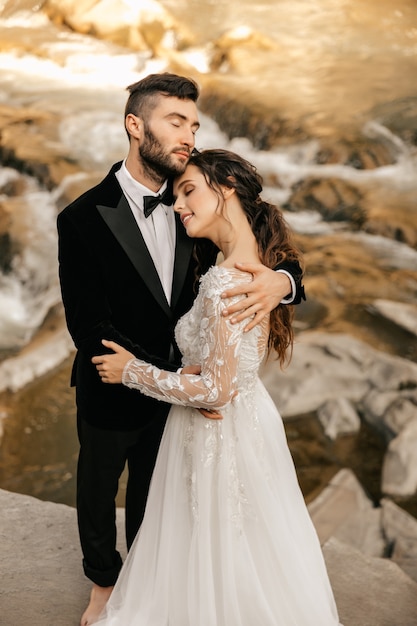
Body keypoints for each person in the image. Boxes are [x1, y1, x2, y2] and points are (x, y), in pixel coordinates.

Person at [57, 73, 305, 626]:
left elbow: (269, 245)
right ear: (135, 125)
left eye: (194, 124)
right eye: (175, 122)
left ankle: (150, 579)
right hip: (116, 377)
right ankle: (103, 579)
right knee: (99, 488)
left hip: (182, 391)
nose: (188, 134)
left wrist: (281, 282)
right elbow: (87, 322)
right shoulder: (80, 218)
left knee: (158, 497)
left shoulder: (194, 206)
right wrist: (169, 372)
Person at [91, 148, 341, 626]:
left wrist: (132, 371)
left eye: (189, 191)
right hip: (247, 421)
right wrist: (192, 370)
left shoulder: (229, 280)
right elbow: (221, 368)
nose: (178, 205)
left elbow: (218, 392)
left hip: (220, 428)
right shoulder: (249, 263)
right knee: (244, 543)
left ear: (225, 188)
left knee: (218, 540)